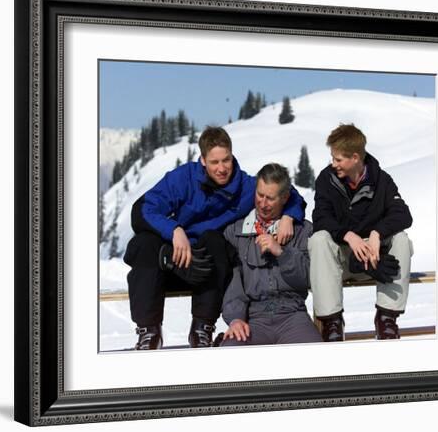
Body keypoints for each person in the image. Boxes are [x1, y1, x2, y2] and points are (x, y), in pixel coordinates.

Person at [123, 127, 306, 350]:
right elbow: (142, 210)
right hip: (174, 259)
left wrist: (289, 215)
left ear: (232, 155)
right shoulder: (182, 179)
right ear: (203, 160)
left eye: (226, 160)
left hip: (208, 267)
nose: (221, 168)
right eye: (214, 162)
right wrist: (174, 230)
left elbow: (290, 194)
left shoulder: (246, 187)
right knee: (143, 244)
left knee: (215, 240)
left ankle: (202, 328)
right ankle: (148, 331)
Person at [308, 124, 413, 341]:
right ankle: (332, 322)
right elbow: (320, 217)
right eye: (332, 158)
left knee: (402, 239)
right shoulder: (326, 180)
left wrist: (377, 234)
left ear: (355, 158)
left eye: (338, 159)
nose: (333, 164)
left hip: (377, 260)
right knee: (319, 239)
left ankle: (386, 319)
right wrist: (348, 235)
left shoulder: (382, 180)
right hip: (341, 263)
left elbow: (402, 214)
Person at [221, 163, 322, 346]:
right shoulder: (236, 233)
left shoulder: (302, 231)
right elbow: (232, 281)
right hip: (253, 320)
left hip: (293, 315)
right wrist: (235, 317)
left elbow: (307, 279)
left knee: (315, 357)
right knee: (229, 354)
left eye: (270, 198)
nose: (263, 203)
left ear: (284, 198)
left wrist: (282, 253)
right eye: (260, 195)